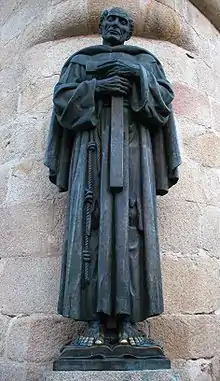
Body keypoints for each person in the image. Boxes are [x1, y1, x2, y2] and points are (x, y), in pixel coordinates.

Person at [45, 7, 181, 347]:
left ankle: (127, 320)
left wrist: (136, 73)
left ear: (130, 30)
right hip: (90, 154)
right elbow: (62, 104)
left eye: (123, 22)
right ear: (101, 26)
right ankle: (92, 320)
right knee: (89, 228)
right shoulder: (81, 61)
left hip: (136, 158)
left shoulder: (145, 61)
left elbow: (163, 104)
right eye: (111, 20)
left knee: (132, 230)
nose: (116, 26)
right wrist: (97, 87)